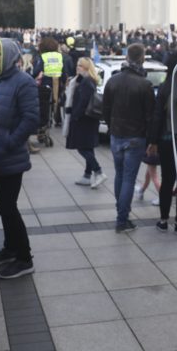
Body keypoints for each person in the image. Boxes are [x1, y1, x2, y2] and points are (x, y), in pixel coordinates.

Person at [0, 37, 37, 279]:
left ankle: (24, 257)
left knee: (8, 207)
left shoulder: (23, 82)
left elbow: (31, 118)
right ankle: (10, 248)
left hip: (9, 157)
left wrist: (9, 142)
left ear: (11, 57)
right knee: (4, 207)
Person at [102, 42, 155, 233]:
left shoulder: (113, 81)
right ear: (142, 58)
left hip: (117, 135)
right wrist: (151, 140)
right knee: (128, 179)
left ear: (126, 57)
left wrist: (111, 127)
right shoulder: (145, 84)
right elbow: (150, 116)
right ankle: (122, 219)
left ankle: (121, 214)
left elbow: (105, 110)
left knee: (120, 176)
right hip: (135, 137)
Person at [147, 50, 177, 233]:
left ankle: (163, 220)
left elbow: (157, 116)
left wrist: (153, 141)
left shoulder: (165, 87)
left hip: (165, 140)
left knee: (167, 180)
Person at [66, 57, 106, 189]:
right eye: (77, 65)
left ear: (87, 68)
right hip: (89, 120)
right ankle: (87, 175)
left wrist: (75, 117)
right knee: (88, 147)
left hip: (83, 120)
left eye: (81, 66)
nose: (78, 67)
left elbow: (82, 103)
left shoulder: (86, 82)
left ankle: (98, 171)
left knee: (82, 147)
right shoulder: (88, 80)